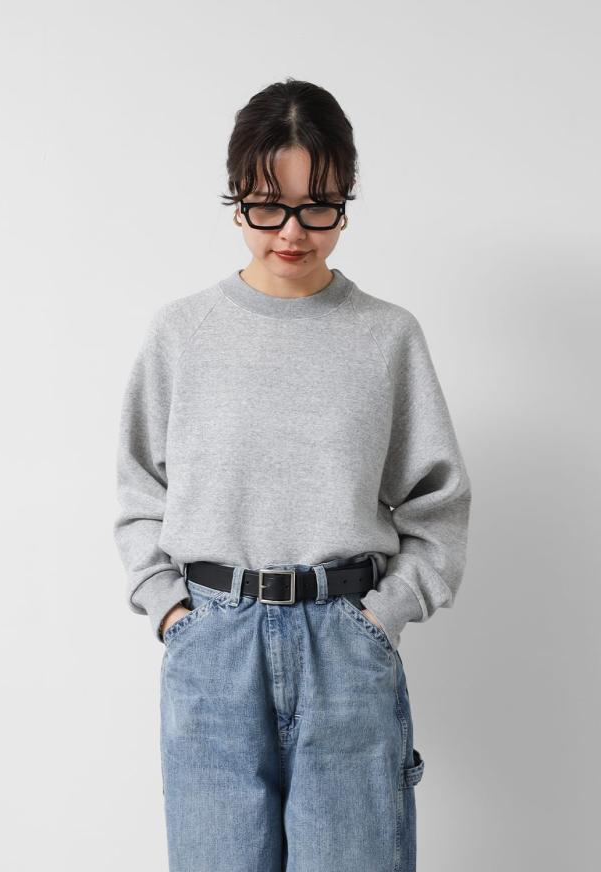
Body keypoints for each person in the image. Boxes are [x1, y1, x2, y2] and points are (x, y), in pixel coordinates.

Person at [113, 77, 472, 872]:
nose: (292, 232)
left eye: (319, 207)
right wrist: (171, 611)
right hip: (213, 645)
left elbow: (438, 504)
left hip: (345, 645)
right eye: (267, 206)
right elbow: (140, 490)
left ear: (346, 198)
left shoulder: (386, 336)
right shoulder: (182, 333)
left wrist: (382, 617)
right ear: (236, 196)